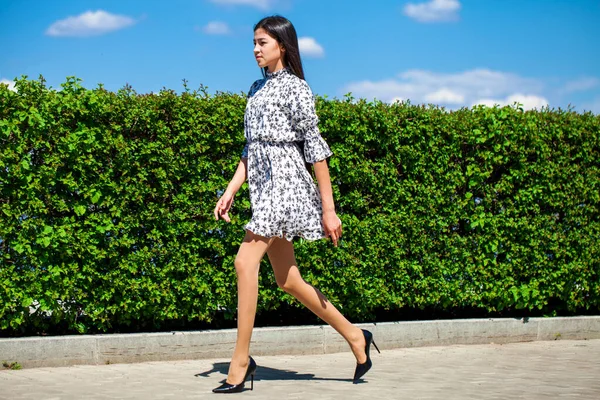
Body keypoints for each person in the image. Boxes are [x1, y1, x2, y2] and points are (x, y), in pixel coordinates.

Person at [212, 15, 379, 394]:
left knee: (244, 261)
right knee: (288, 280)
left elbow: (316, 150)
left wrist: (329, 209)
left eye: (262, 43)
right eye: (253, 43)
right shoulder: (255, 89)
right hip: (263, 187)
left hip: (286, 187)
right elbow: (251, 150)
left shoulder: (297, 89)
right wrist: (231, 189)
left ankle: (240, 362)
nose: (255, 49)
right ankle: (356, 338)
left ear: (281, 46)